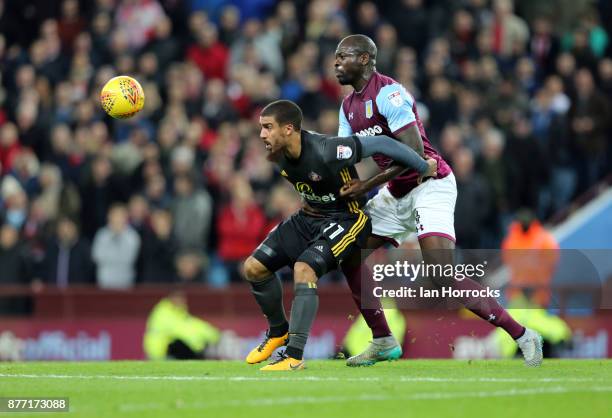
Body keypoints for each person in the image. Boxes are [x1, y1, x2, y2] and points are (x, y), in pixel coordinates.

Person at [334, 34, 543, 367]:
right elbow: (342, 159)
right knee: (348, 252)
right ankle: (383, 340)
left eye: (342, 56)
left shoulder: (389, 93)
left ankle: (521, 334)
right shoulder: (347, 107)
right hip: (395, 192)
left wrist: (366, 187)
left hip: (430, 183)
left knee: (442, 273)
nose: (335, 63)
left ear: (364, 59)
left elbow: (416, 155)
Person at [243, 99, 436, 371]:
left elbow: (381, 143)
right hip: (308, 217)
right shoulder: (275, 153)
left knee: (305, 269)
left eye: (267, 127)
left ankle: (294, 356)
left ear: (288, 129)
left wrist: (421, 165)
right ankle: (278, 332)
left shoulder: (328, 150)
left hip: (347, 219)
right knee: (253, 268)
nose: (262, 134)